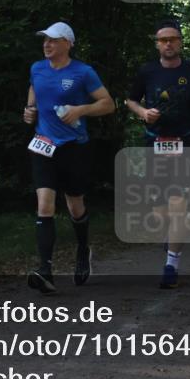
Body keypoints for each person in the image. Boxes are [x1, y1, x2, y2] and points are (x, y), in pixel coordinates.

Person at [23, 22, 115, 295]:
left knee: (75, 206)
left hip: (74, 147)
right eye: (44, 41)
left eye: (52, 40)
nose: (46, 45)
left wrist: (81, 110)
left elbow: (108, 103)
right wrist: (30, 109)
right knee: (44, 204)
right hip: (44, 146)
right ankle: (45, 270)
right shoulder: (37, 68)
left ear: (67, 43)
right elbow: (34, 89)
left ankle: (83, 249)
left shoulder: (83, 72)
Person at [126, 19, 190, 289]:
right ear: (157, 44)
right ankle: (171, 237)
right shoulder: (146, 71)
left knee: (179, 206)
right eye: (163, 40)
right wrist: (143, 113)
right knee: (162, 212)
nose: (168, 44)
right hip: (155, 143)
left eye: (173, 39)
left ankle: (171, 264)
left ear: (180, 42)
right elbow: (130, 100)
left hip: (186, 142)